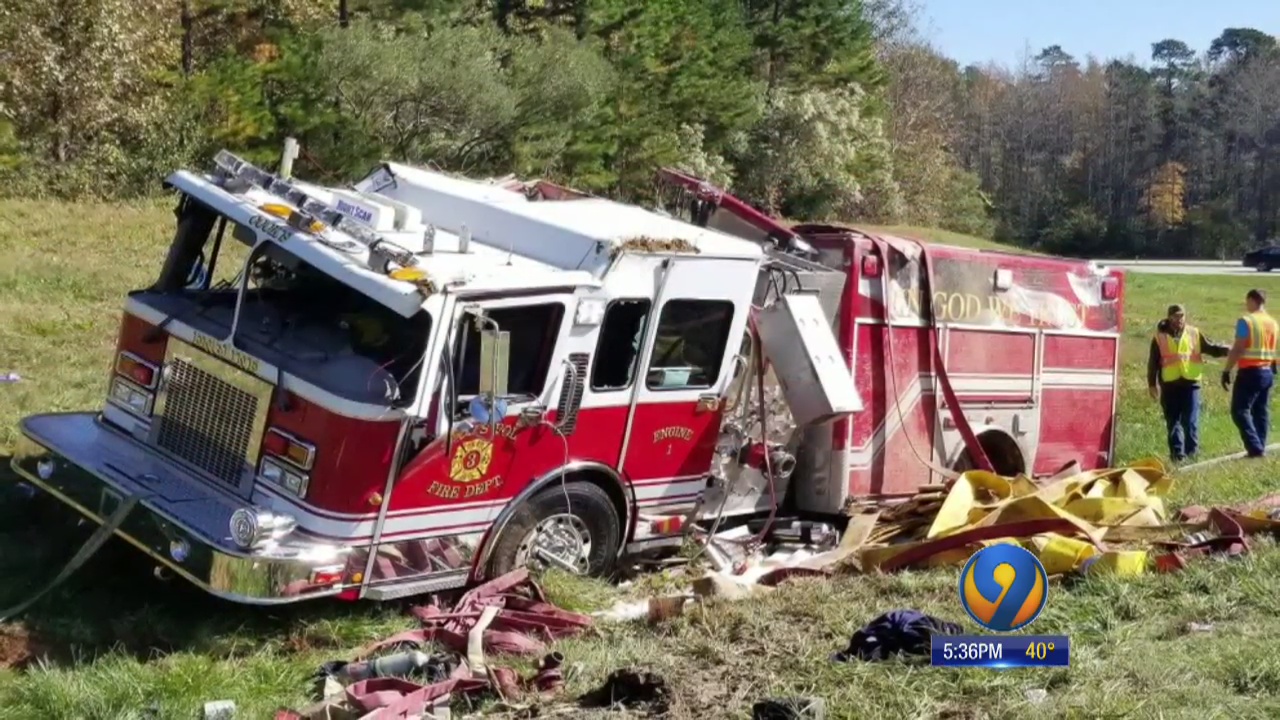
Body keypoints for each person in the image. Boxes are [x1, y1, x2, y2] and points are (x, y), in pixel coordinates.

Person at [1147, 304, 1229, 461]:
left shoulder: (1194, 333)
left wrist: (1228, 349)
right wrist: (1152, 384)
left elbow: (1211, 348)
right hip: (1170, 385)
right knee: (1173, 422)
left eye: (1181, 316)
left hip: (1191, 385)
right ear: (1169, 317)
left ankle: (1193, 455)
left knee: (1190, 421)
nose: (1178, 319)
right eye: (1175, 316)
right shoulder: (1159, 338)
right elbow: (1153, 363)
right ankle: (1177, 457)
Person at [1220, 289, 1279, 458]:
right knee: (1261, 410)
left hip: (1249, 372)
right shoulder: (1272, 322)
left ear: (1252, 300)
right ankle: (1260, 444)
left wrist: (1227, 370)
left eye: (1247, 301)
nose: (1246, 305)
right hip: (1267, 370)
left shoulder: (1246, 321)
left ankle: (1254, 447)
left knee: (1240, 410)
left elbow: (1239, 347)